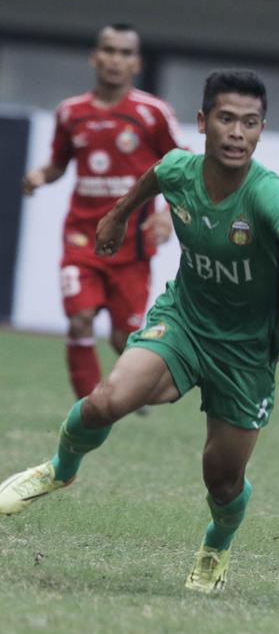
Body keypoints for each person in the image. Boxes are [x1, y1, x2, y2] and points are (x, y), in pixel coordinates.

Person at [0, 70, 279, 594]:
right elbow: (155, 175)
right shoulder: (180, 168)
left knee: (222, 481)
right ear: (202, 122)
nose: (237, 133)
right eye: (226, 119)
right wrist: (117, 217)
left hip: (245, 354)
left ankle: (216, 545)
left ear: (261, 130)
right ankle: (59, 469)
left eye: (249, 123)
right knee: (107, 400)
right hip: (183, 323)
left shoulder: (267, 195)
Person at [22, 23, 181, 399]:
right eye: (108, 50)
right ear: (94, 57)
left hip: (132, 244)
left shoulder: (153, 112)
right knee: (80, 321)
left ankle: (138, 389)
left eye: (125, 53)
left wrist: (166, 214)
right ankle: (90, 411)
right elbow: (58, 164)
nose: (115, 59)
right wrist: (39, 175)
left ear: (136, 63)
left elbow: (181, 165)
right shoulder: (70, 112)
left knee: (125, 338)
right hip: (82, 238)